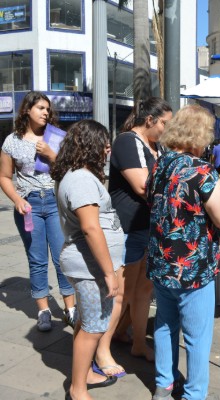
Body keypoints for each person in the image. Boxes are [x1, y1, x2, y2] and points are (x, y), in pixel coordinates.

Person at [147, 104, 220, 400]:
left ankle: (164, 383)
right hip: (192, 268)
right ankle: (194, 394)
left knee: (164, 324)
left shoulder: (160, 165)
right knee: (197, 337)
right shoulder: (201, 170)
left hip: (162, 263)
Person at [50, 120, 122, 400]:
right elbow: (91, 228)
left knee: (87, 322)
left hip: (90, 265)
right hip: (89, 266)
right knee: (92, 328)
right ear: (90, 146)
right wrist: (108, 272)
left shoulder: (81, 175)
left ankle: (86, 375)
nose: (107, 149)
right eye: (104, 143)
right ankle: (77, 389)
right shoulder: (80, 179)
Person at [0, 91, 75, 332]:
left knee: (62, 256)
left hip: (54, 202)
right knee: (37, 259)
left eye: (47, 109)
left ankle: (70, 309)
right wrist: (16, 199)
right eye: (40, 108)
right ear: (27, 111)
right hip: (28, 206)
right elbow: (4, 176)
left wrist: (52, 156)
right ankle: (43, 310)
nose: (45, 112)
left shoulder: (56, 138)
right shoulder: (12, 141)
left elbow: (70, 171)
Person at [109, 97, 173, 362]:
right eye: (165, 124)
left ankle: (135, 341)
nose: (168, 130)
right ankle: (102, 350)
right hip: (129, 226)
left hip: (148, 227)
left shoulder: (155, 146)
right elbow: (142, 185)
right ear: (150, 120)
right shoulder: (127, 141)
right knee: (121, 292)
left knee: (144, 289)